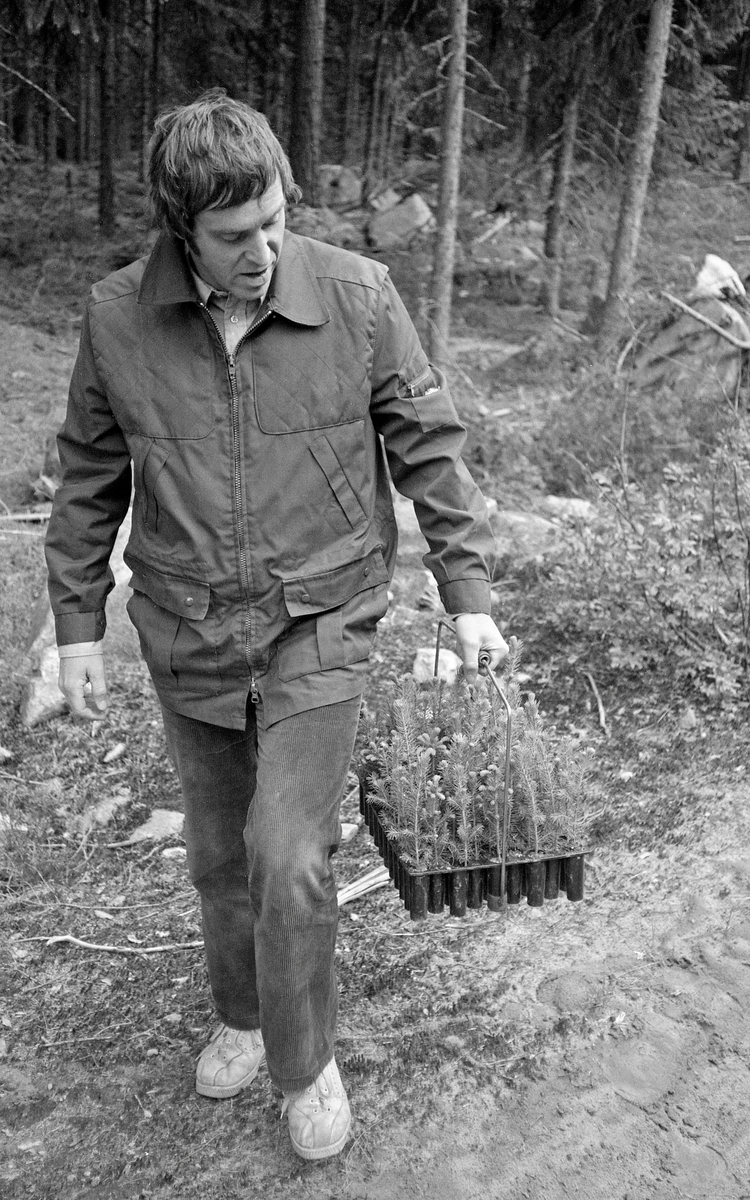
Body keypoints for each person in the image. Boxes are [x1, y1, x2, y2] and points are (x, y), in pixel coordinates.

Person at [45, 89, 508, 1162]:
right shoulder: (119, 318)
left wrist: (467, 588)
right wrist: (77, 624)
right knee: (217, 856)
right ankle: (243, 1014)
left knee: (288, 848)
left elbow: (428, 445)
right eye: (233, 235)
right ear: (180, 229)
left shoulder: (357, 294)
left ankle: (306, 1061)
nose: (262, 251)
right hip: (187, 623)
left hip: (321, 614)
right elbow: (87, 479)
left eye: (274, 222)